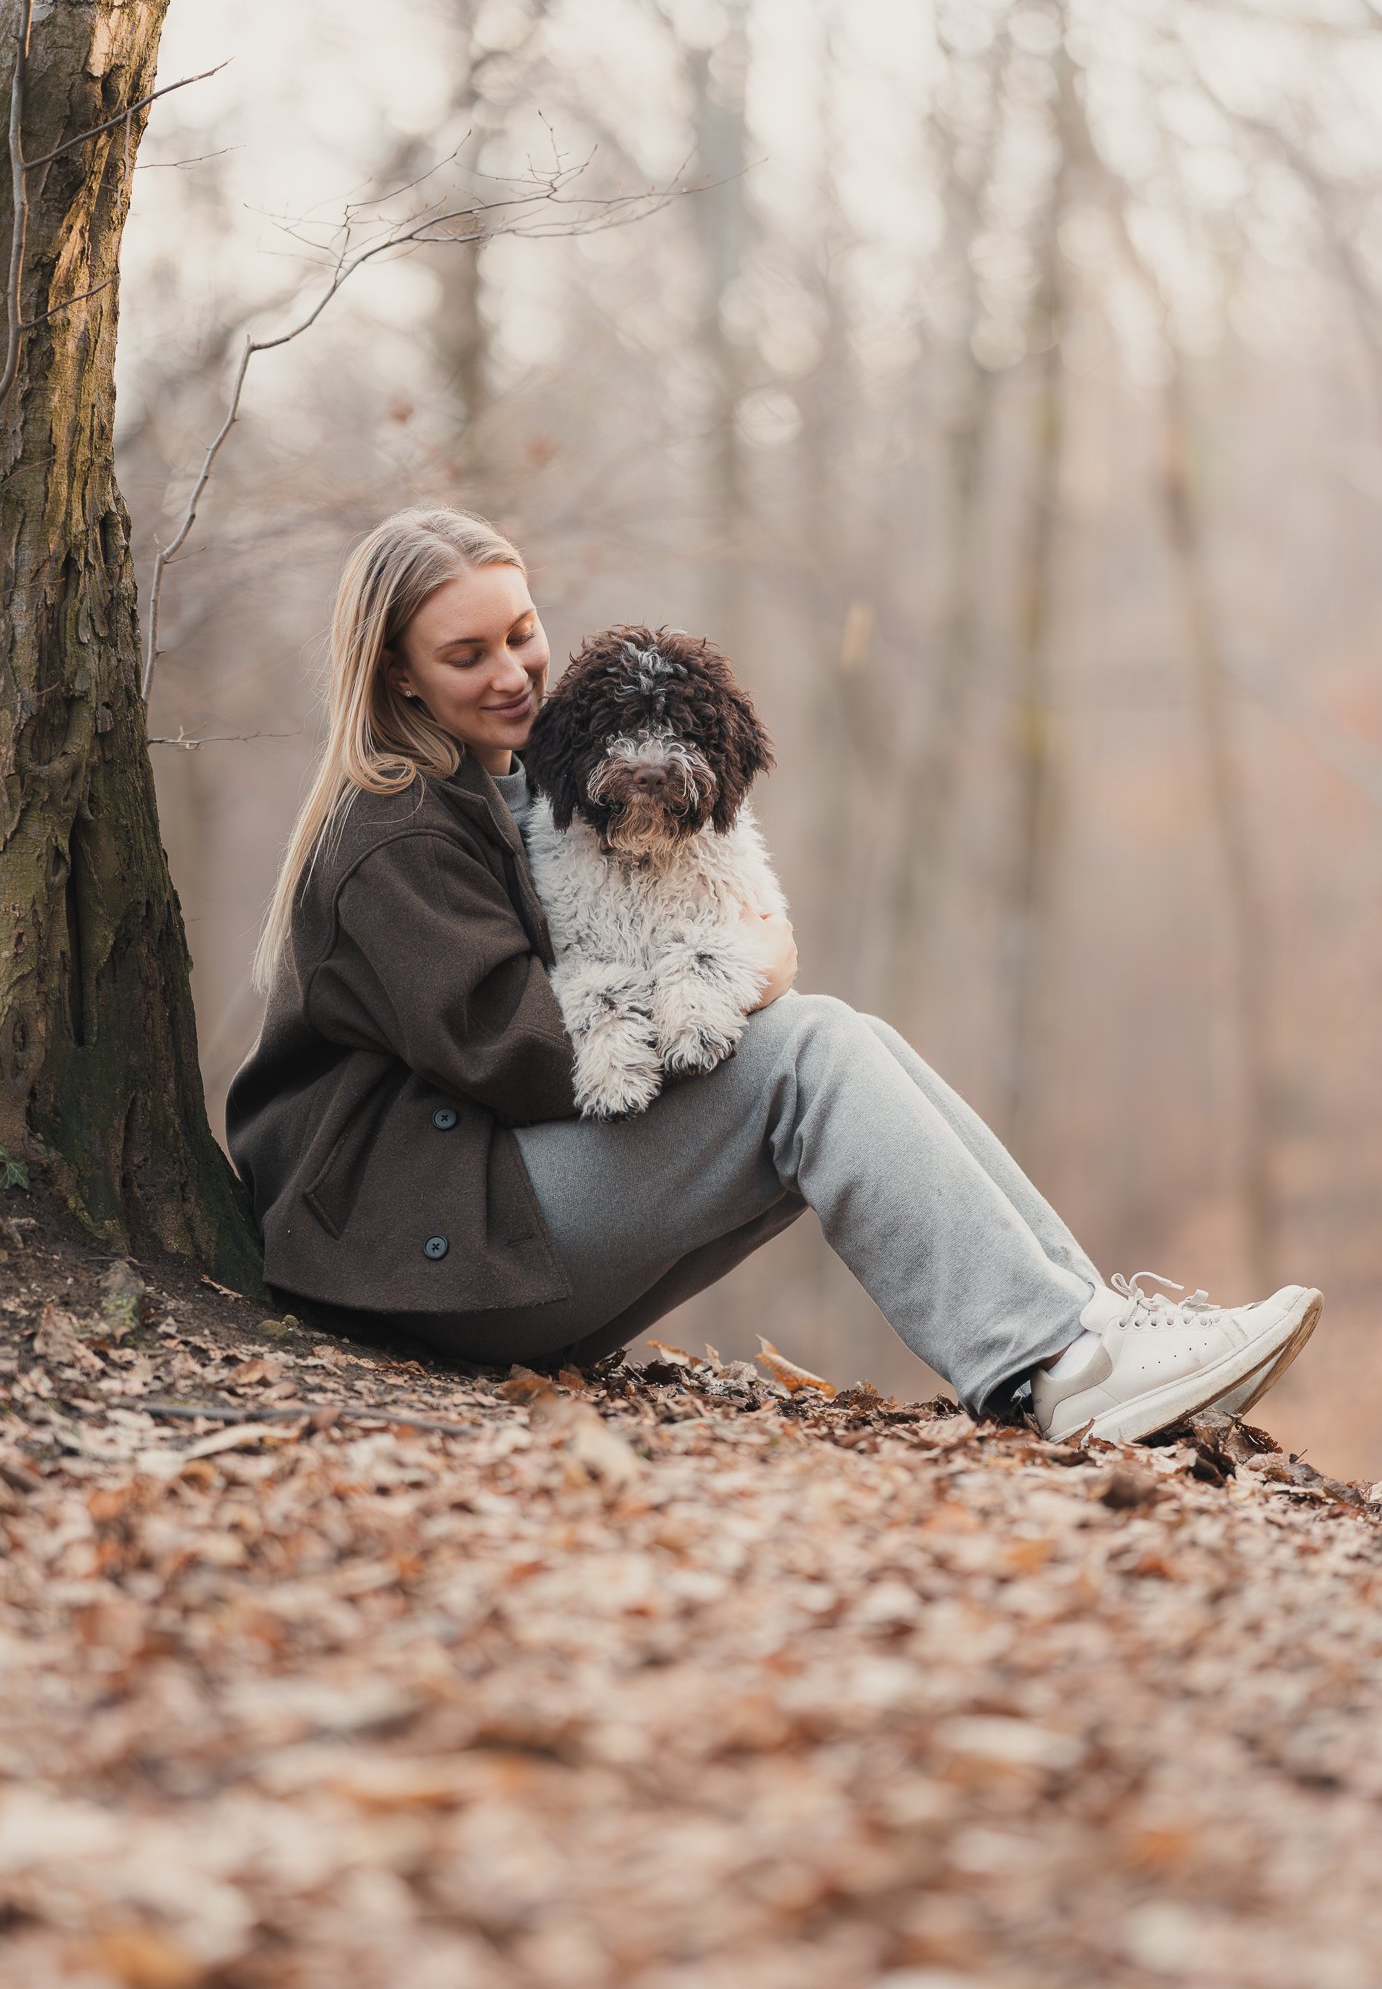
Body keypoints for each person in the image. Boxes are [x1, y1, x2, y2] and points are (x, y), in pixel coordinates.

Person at [226, 507, 1323, 1445]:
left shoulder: (492, 783)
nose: (513, 672)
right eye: (466, 655)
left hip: (472, 1233)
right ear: (393, 672)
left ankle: (1090, 1335)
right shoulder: (391, 829)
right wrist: (746, 974)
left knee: (838, 1036)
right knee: (809, 1052)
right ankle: (1058, 1366)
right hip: (420, 1256)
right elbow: (519, 1053)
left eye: (521, 633)